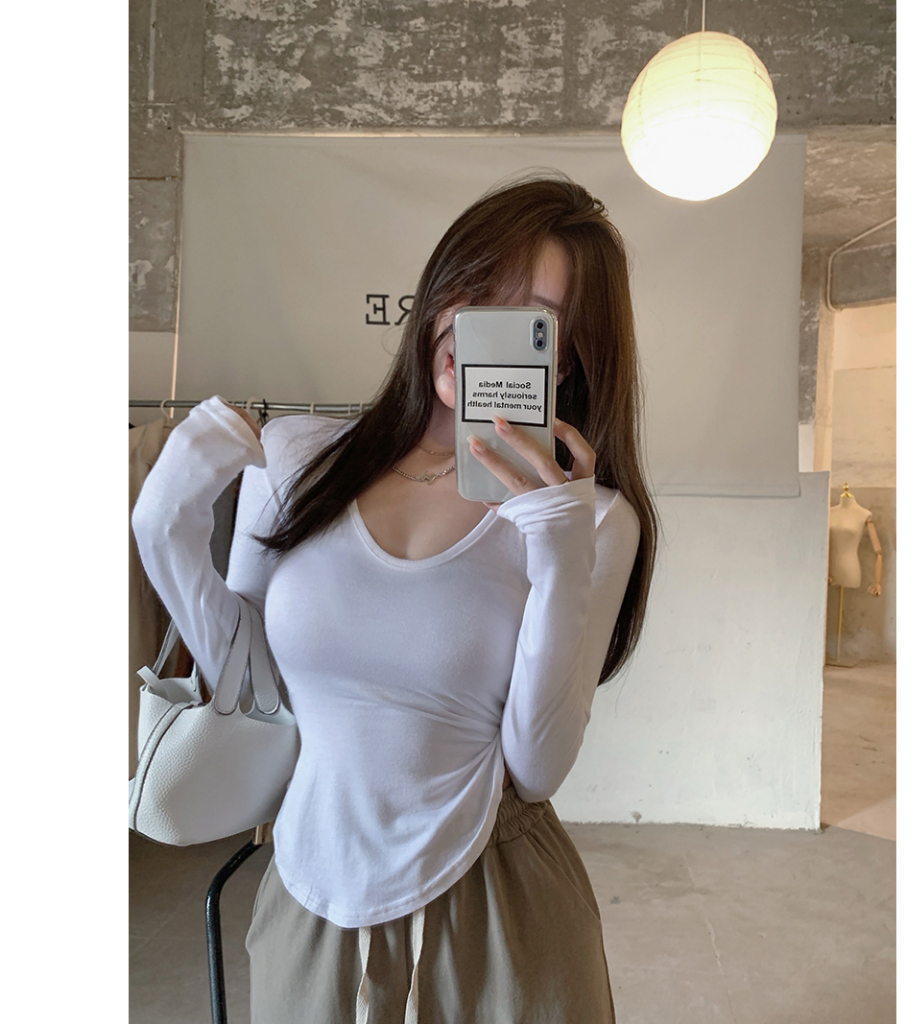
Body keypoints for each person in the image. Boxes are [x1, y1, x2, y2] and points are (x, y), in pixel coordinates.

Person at [132, 174, 658, 1024]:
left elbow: (535, 768)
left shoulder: (592, 518)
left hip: (498, 902)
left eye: (526, 319)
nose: (472, 325)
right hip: (311, 888)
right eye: (472, 285)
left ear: (562, 360)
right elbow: (254, 687)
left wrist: (558, 548)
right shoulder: (300, 458)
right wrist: (164, 528)